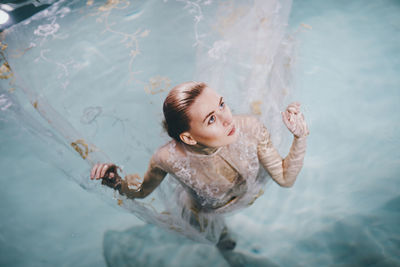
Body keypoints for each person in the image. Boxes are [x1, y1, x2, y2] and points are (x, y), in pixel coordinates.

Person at [90, 81, 309, 250]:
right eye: (211, 119)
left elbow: (285, 179)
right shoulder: (167, 158)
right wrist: (115, 181)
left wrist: (300, 138)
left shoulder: (250, 128)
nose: (227, 119)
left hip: (249, 192)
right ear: (189, 138)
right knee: (225, 245)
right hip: (206, 215)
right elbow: (140, 193)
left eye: (222, 104)